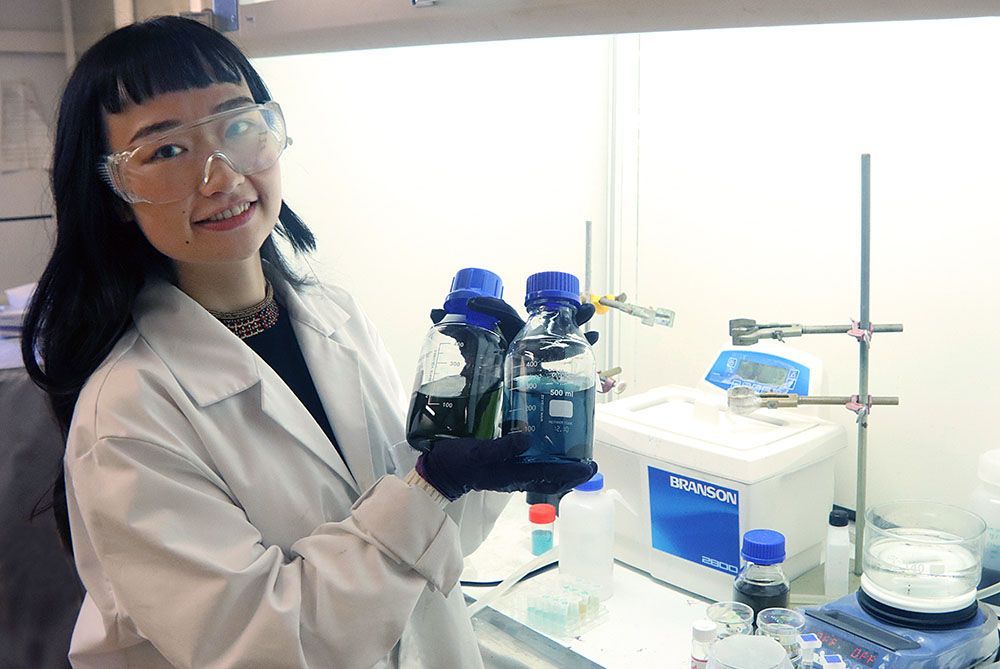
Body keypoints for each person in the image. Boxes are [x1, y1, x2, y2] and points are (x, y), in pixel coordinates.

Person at [21, 16, 598, 669]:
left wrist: (496, 422)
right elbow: (261, 645)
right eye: (167, 151)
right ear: (114, 194)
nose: (220, 178)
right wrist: (432, 485)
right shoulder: (127, 414)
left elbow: (431, 540)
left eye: (237, 126)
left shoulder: (333, 314)